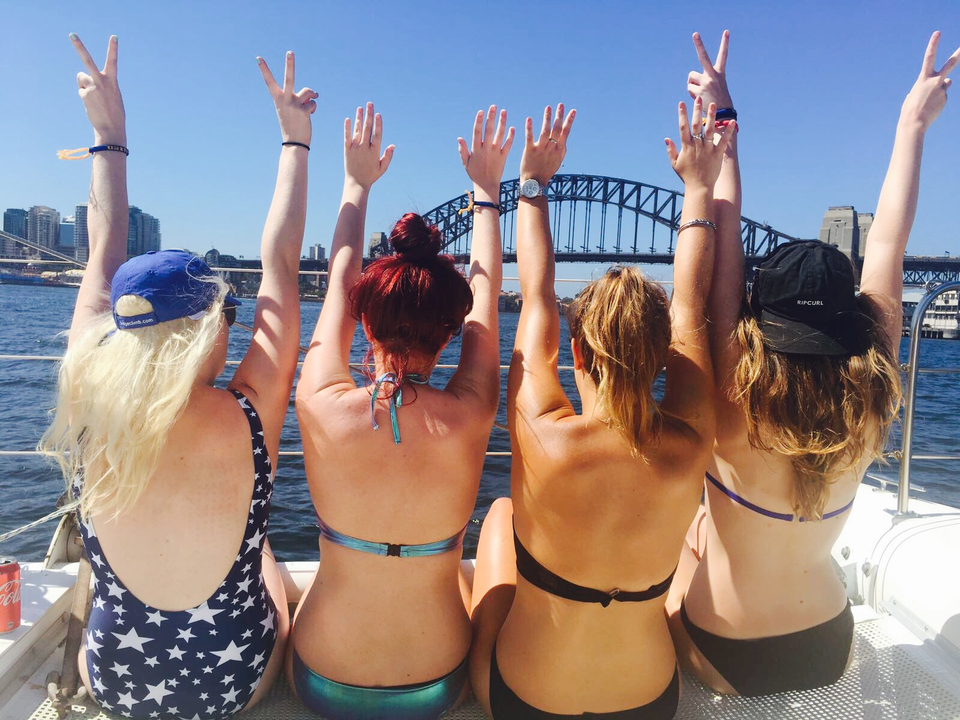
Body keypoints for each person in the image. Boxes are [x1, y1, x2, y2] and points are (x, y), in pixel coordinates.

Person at [666, 30, 958, 697]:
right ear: (849, 323)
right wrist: (913, 125)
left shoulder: (731, 403)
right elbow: (888, 238)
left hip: (723, 656)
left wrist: (724, 119)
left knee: (682, 549)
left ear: (759, 326)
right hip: (829, 645)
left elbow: (726, 235)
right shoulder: (873, 397)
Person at [40, 35, 316, 718]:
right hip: (230, 688)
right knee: (271, 569)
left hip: (117, 683)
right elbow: (282, 264)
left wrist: (109, 136)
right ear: (208, 333)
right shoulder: (248, 413)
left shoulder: (84, 390)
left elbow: (103, 252)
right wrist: (295, 143)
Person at [468, 101, 734, 719]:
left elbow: (536, 298)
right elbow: (691, 309)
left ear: (578, 354)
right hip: (649, 701)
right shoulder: (693, 439)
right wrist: (700, 188)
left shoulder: (545, 436)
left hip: (523, 701)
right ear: (663, 357)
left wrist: (531, 189)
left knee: (502, 514)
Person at [290, 104, 512, 720]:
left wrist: (356, 186)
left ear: (365, 323)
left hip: (322, 680)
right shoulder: (471, 413)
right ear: (449, 335)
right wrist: (486, 194)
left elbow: (337, 282)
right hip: (437, 685)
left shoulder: (320, 402)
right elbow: (486, 297)